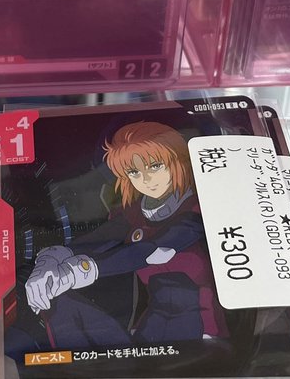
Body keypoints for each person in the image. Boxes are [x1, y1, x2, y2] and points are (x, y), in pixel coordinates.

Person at [24, 122, 225, 347]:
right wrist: (50, 260)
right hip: (149, 335)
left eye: (155, 166)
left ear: (178, 160)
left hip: (201, 335)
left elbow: (153, 250)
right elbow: (97, 240)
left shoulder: (197, 209)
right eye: (134, 172)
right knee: (54, 296)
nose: (146, 179)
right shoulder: (135, 213)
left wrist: (78, 271)